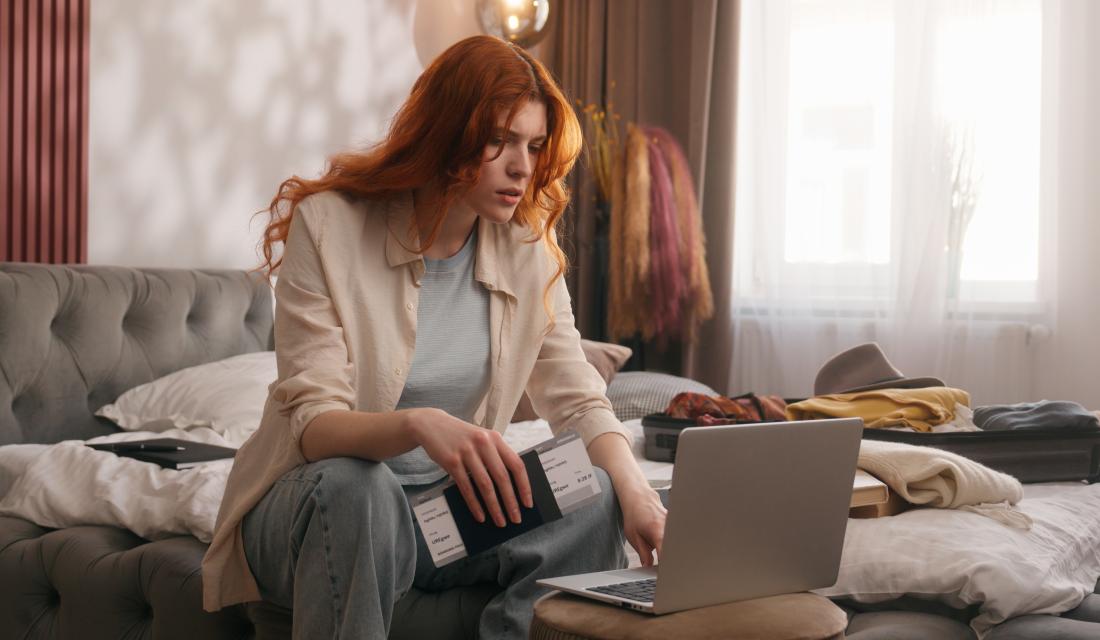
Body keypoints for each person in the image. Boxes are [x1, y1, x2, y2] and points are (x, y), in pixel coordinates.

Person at [200, 35, 667, 639]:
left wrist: (636, 490)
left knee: (593, 488)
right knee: (359, 485)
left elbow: (577, 400)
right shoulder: (329, 225)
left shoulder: (528, 247)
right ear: (446, 133)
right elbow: (313, 424)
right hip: (315, 509)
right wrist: (419, 425)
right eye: (499, 140)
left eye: (533, 146)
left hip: (441, 523)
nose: (522, 167)